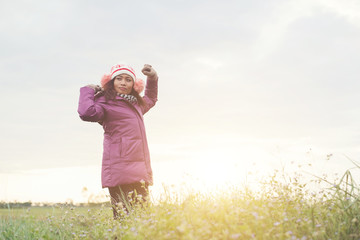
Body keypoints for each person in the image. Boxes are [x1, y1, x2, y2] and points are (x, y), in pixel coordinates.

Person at [77, 63, 158, 219]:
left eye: (128, 79)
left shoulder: (137, 104)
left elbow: (151, 98)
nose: (123, 82)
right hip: (119, 168)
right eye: (119, 78)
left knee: (143, 218)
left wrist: (152, 77)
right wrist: (88, 90)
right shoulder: (105, 103)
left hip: (139, 170)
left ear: (134, 85)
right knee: (123, 219)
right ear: (111, 82)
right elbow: (87, 113)